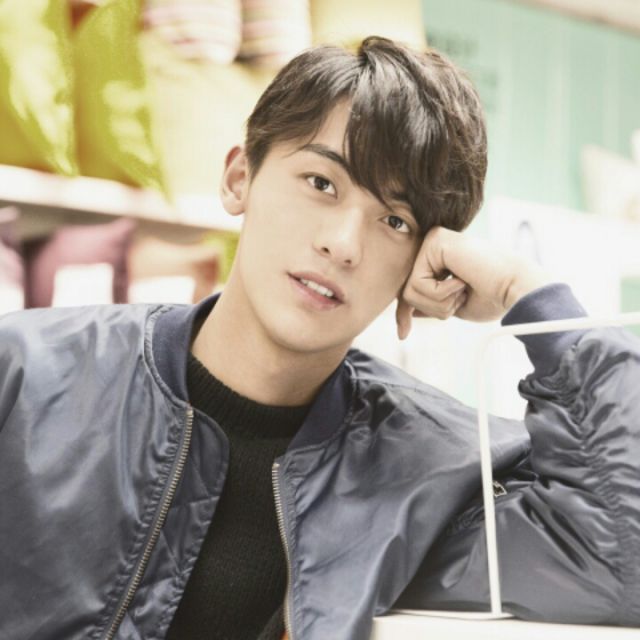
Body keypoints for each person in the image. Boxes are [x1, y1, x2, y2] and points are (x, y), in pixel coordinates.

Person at [1, 36, 639, 640]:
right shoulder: (26, 375)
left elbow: (623, 559)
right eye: (321, 184)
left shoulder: (428, 473)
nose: (343, 243)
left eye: (395, 220)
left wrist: (528, 294)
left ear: (427, 261)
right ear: (239, 178)